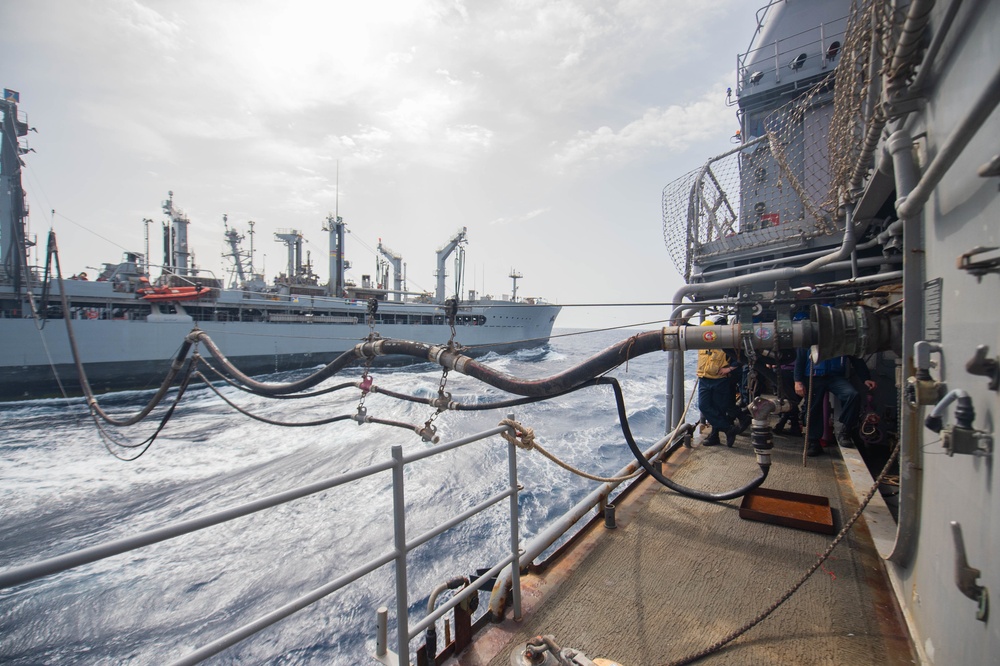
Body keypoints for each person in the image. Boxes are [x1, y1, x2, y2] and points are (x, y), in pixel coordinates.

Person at [794, 348, 876, 456]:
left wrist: (865, 378)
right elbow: (800, 359)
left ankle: (845, 432)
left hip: (835, 377)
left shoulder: (841, 338)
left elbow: (855, 358)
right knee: (813, 408)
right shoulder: (811, 334)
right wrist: (798, 381)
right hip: (813, 376)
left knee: (852, 395)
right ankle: (813, 442)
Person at [696, 316, 741, 447]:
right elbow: (691, 330)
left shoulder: (726, 343)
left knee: (719, 409)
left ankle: (715, 436)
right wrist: (681, 323)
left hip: (720, 381)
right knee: (704, 406)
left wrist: (730, 368)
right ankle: (728, 429)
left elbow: (740, 357)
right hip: (704, 379)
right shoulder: (700, 342)